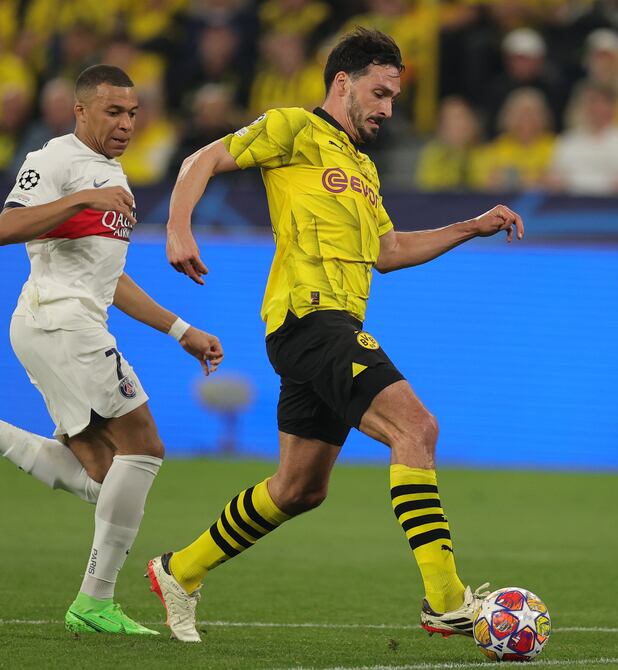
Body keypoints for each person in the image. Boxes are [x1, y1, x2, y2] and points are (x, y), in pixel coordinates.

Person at [153, 27, 524, 643]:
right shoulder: (293, 127)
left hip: (331, 328)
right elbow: (203, 159)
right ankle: (445, 599)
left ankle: (180, 570)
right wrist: (178, 227)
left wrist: (471, 226)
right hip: (309, 319)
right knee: (416, 428)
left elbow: (388, 250)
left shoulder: (362, 167)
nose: (388, 109)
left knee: (299, 489)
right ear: (343, 82)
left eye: (394, 98)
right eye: (379, 93)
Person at [0, 65, 224, 635]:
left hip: (67, 323)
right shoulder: (54, 159)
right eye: (113, 112)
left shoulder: (115, 178)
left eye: (132, 114)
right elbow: (5, 228)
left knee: (105, 479)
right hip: (60, 322)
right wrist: (82, 199)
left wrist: (181, 331)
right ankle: (94, 601)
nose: (126, 124)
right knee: (145, 448)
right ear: (81, 111)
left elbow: (110, 278)